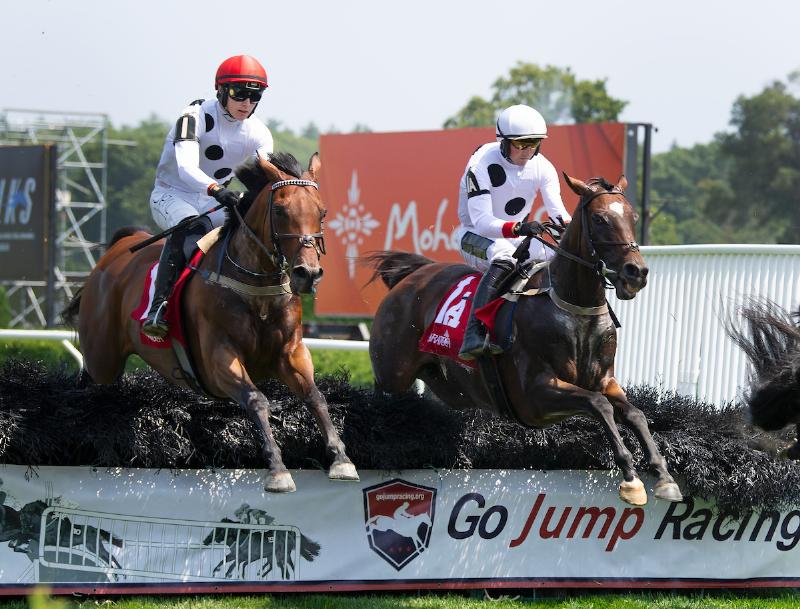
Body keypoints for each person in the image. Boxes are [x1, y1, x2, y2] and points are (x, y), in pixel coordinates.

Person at [143, 55, 274, 339]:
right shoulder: (193, 116)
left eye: (254, 96)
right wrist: (217, 190)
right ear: (221, 90)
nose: (246, 103)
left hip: (213, 199)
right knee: (189, 226)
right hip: (172, 194)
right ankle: (157, 307)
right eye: (239, 94)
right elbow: (186, 168)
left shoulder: (260, 133)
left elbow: (265, 178)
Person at [456, 104, 572, 360]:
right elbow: (483, 221)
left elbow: (558, 213)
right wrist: (519, 227)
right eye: (520, 144)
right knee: (504, 256)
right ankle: (473, 332)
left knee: (557, 256)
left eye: (533, 143)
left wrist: (576, 234)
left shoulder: (543, 167)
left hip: (517, 236)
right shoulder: (480, 164)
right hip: (474, 235)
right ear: (503, 141)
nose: (527, 151)